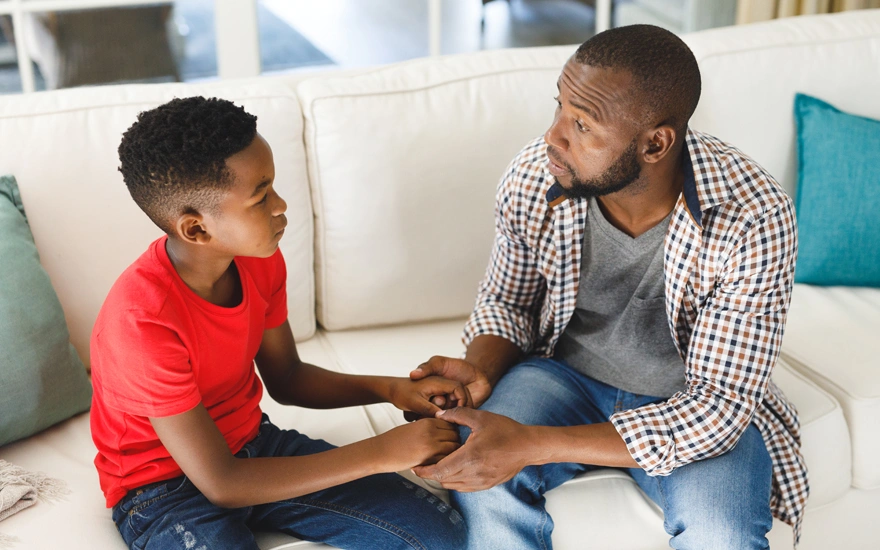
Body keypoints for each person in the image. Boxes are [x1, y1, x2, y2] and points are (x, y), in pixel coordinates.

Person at [410, 25, 808, 550]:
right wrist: (481, 373)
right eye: (559, 108)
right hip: (563, 377)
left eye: (582, 124)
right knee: (482, 478)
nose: (554, 135)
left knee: (722, 532)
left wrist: (531, 444)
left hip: (685, 400)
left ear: (655, 143)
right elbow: (508, 302)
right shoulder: (536, 176)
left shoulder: (752, 215)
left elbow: (716, 408)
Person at [89, 97, 468, 550]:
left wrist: (391, 389)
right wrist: (382, 452)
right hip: (162, 491)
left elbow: (287, 377)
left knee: (440, 536)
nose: (281, 204)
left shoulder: (258, 260)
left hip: (254, 446)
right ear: (196, 229)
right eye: (260, 195)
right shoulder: (142, 321)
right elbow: (222, 483)